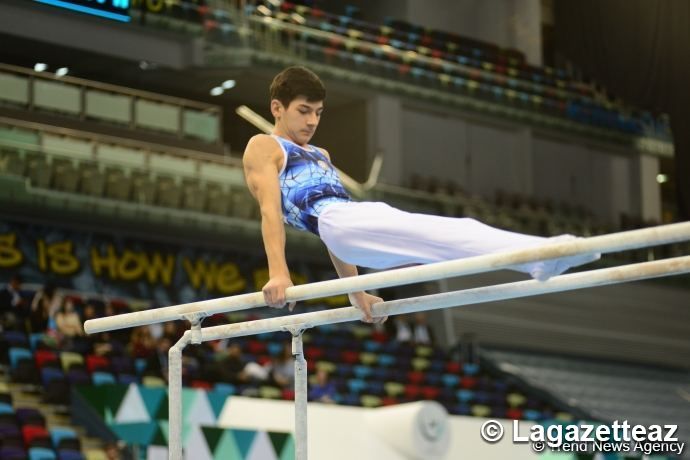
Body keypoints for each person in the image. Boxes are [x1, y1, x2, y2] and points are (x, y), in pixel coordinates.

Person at [242, 66, 600, 323]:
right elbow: (271, 212)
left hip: (349, 224)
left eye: (318, 113)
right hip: (339, 222)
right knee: (445, 234)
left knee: (451, 237)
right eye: (303, 111)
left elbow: (337, 236)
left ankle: (534, 258)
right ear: (277, 108)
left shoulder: (322, 155)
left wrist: (356, 290)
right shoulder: (264, 146)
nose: (312, 121)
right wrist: (279, 274)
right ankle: (538, 256)